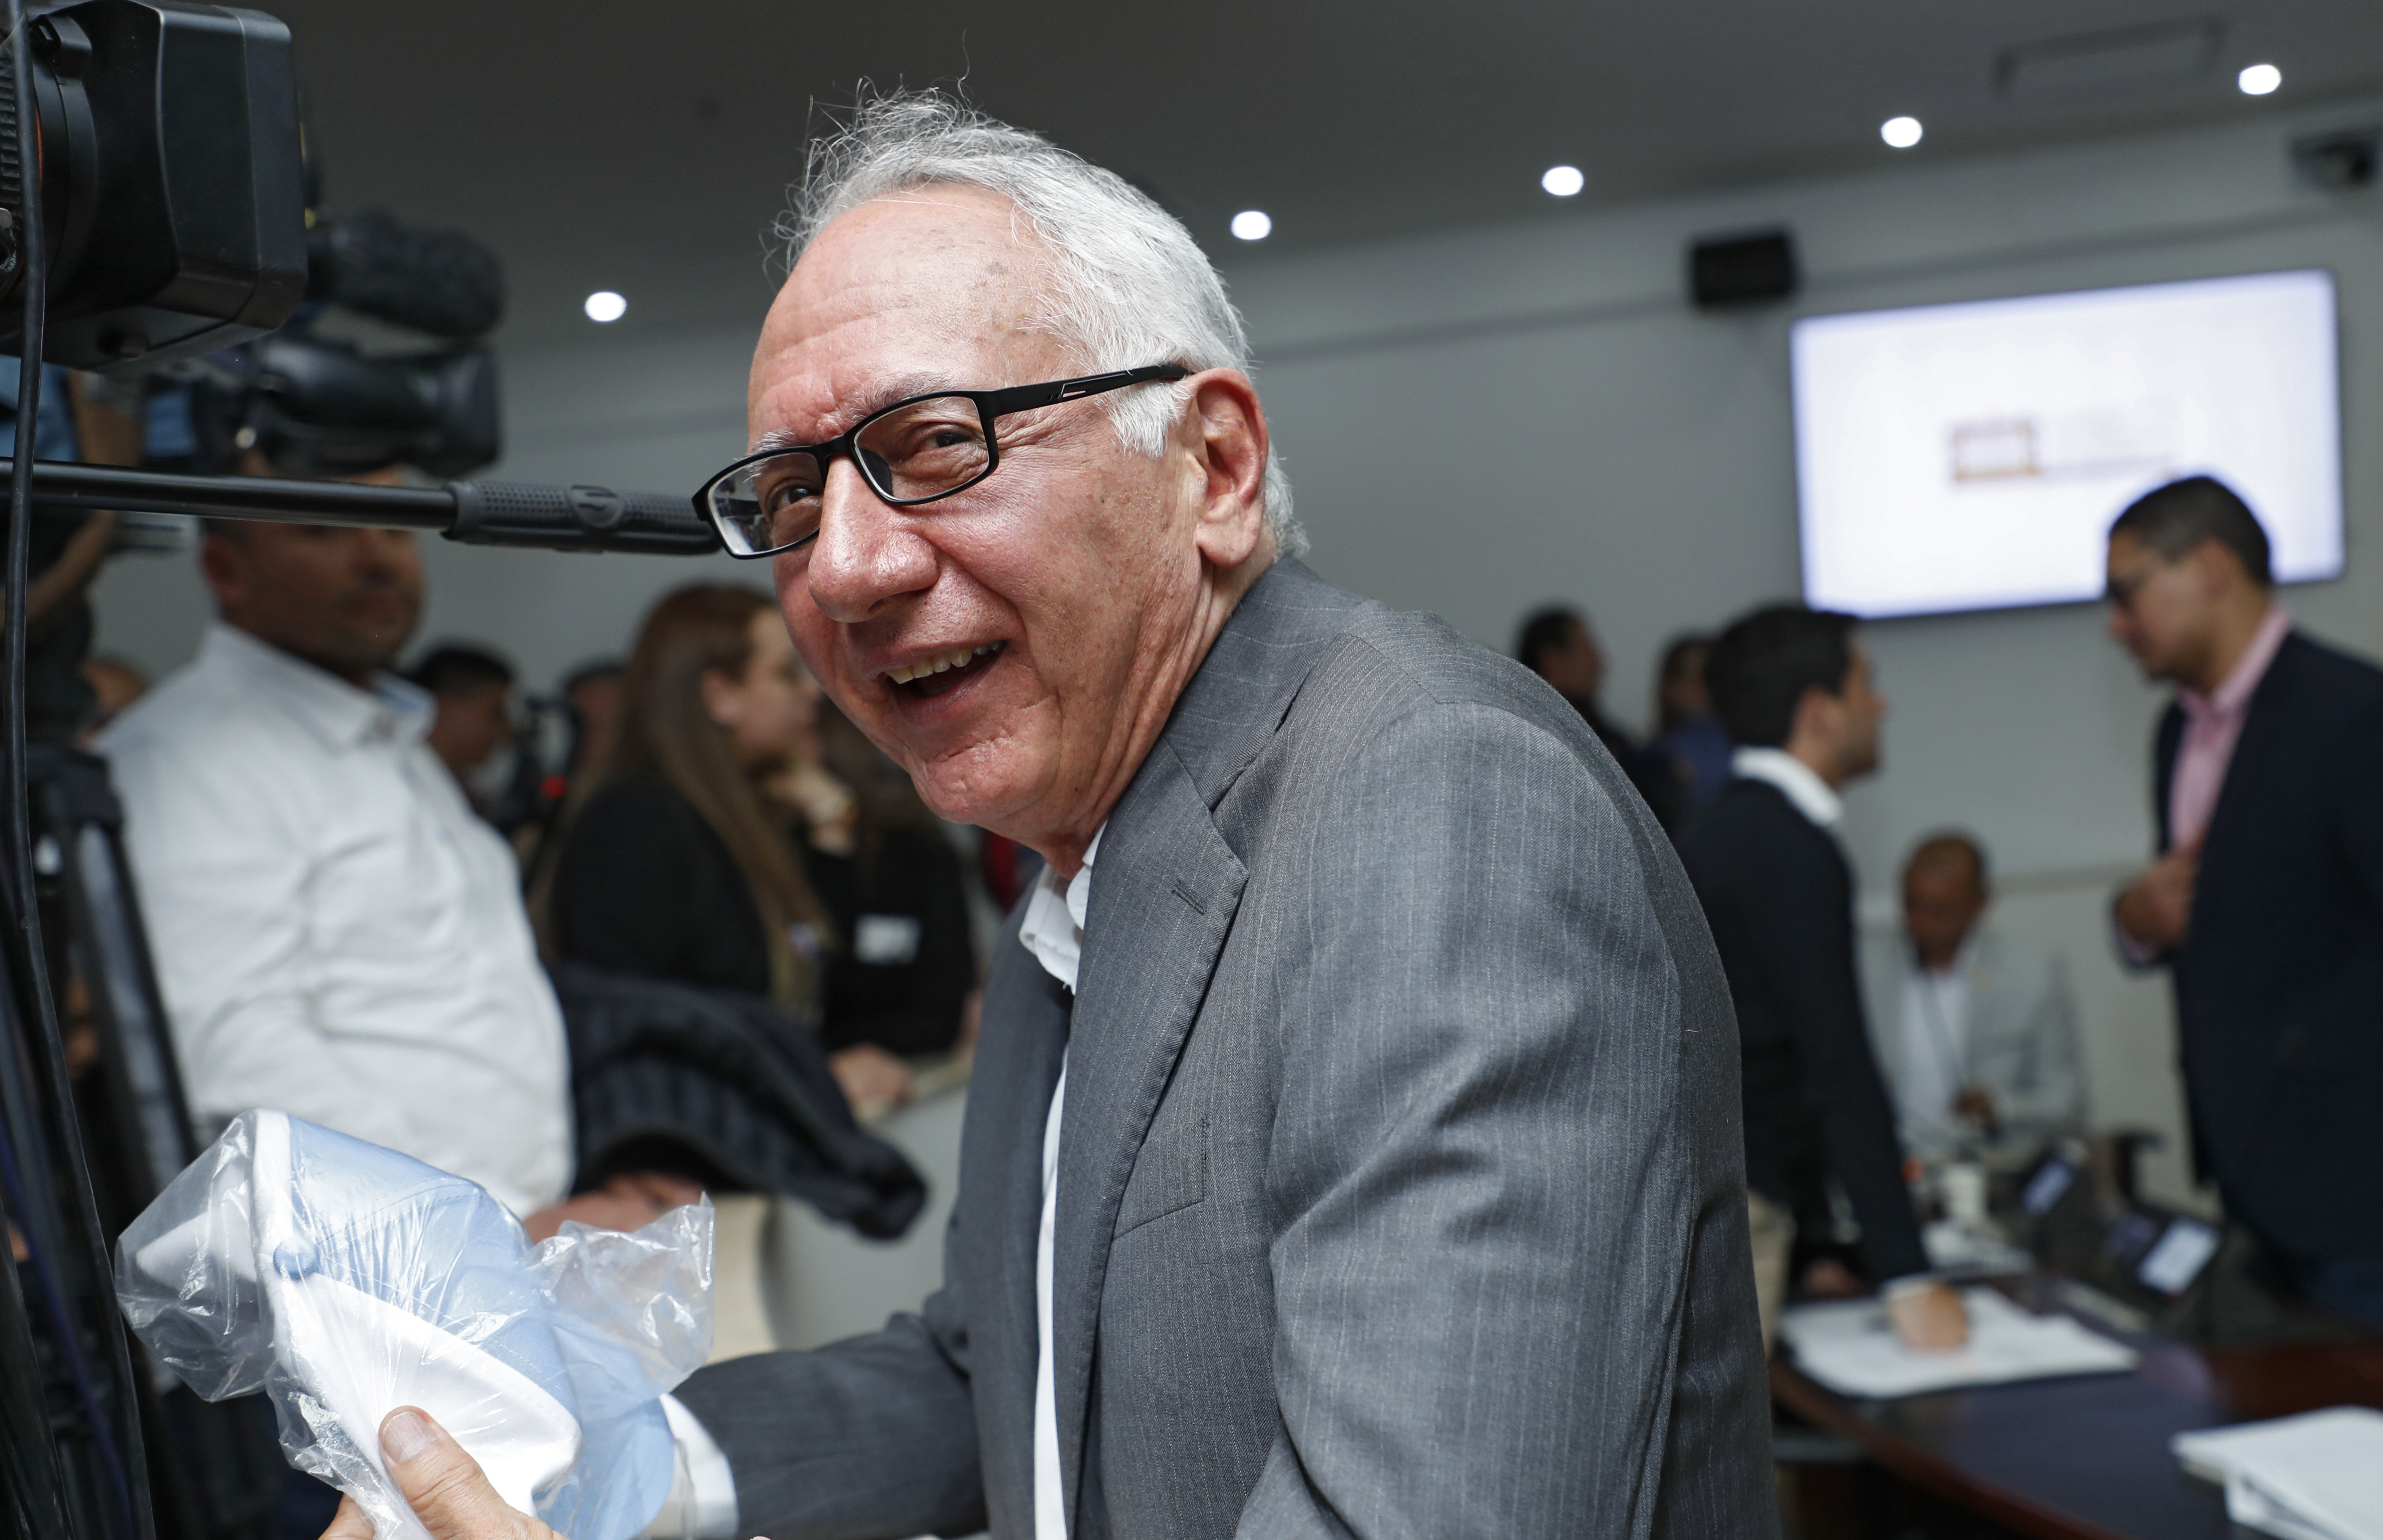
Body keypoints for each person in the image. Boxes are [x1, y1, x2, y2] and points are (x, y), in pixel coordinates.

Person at [363, 93, 1772, 1540]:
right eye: (792, 495)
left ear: (1211, 469)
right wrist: (555, 1458)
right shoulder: (1090, 843)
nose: (843, 569)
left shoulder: (1438, 806)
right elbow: (1005, 1365)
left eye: (934, 445)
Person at [99, 522, 694, 1233]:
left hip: (475, 1247)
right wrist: (497, 1216)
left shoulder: (389, 741)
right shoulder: (188, 754)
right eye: (323, 528)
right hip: (350, 1269)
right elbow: (231, 1062)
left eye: (395, 527)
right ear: (228, 569)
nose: (378, 557)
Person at [2104, 475, 2383, 1328]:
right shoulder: (2176, 728)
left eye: (2128, 594)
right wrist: (2135, 922)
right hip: (2244, 1171)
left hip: (2354, 1186)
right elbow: (2208, 913)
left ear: (2212, 566)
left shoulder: (2349, 711)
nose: (2115, 625)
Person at [1678, 605, 1966, 1353]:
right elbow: (1832, 1063)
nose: (1881, 704)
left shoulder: (1723, 825)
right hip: (1744, 1210)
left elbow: (1759, 1042)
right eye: (1863, 683)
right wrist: (1907, 1275)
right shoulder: (1786, 846)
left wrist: (1819, 1242)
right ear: (1818, 712)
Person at [547, 585, 923, 1117]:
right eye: (785, 674)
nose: (811, 693)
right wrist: (805, 1078)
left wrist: (830, 834)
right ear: (720, 695)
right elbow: (635, 1034)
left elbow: (823, 994)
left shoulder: (752, 812)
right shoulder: (636, 821)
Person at [1860, 833, 2086, 1163]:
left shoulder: (2032, 976)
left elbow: (2068, 1104)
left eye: (1939, 911)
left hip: (1990, 1168)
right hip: (1884, 1163)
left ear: (1978, 905)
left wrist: (2000, 1107)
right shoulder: (1861, 969)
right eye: (1912, 905)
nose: (1921, 923)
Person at [1515, 603, 1682, 827]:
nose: (1600, 661)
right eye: (1586, 647)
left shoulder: (1595, 726)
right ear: (1553, 660)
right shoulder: (1540, 734)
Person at [408, 642, 517, 787]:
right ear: (445, 706)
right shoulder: (396, 779)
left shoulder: (451, 791)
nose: (506, 732)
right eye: (495, 714)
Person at [1650, 632, 1732, 813]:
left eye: (1707, 676)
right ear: (1670, 688)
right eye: (1689, 677)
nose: (1700, 686)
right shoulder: (1662, 756)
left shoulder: (1748, 742)